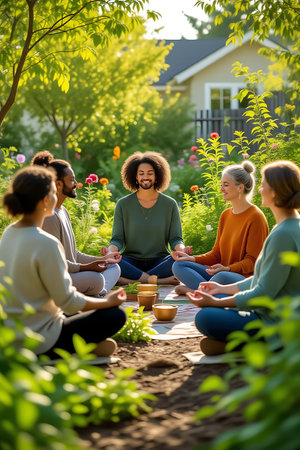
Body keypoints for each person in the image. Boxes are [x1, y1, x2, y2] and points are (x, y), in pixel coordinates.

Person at [0, 166, 126, 358]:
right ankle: (69, 349)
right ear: (44, 200)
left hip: (10, 334)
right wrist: (107, 302)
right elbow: (68, 302)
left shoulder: (8, 234)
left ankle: (86, 346)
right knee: (116, 315)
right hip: (41, 339)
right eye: (52, 192)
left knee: (78, 313)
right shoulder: (46, 243)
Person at [187, 160, 300, 355]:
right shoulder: (288, 226)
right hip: (270, 313)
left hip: (276, 323)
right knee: (219, 295)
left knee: (205, 317)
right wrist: (221, 289)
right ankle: (235, 343)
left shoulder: (283, 234)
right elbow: (261, 280)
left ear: (274, 192)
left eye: (263, 184)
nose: (259, 189)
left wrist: (216, 302)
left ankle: (262, 345)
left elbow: (262, 292)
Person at [31, 151, 121, 297]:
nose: (76, 184)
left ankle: (94, 295)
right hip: (55, 279)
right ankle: (95, 295)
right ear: (58, 185)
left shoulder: (63, 211)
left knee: (113, 267)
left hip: (70, 274)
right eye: (71, 180)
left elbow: (74, 255)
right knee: (96, 279)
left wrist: (103, 259)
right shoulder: (48, 216)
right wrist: (86, 268)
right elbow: (55, 263)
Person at [172, 161, 269, 295]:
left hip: (243, 278)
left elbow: (253, 262)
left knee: (220, 277)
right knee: (179, 265)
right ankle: (208, 292)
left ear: (240, 187)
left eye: (226, 185)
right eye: (221, 184)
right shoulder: (226, 215)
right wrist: (191, 258)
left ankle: (200, 291)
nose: (221, 188)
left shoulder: (256, 217)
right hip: (222, 273)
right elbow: (216, 254)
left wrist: (227, 269)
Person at [102, 151, 192, 285]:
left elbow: (175, 239)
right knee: (112, 263)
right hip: (131, 260)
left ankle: (129, 280)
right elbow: (117, 239)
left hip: (160, 261)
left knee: (177, 261)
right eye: (141, 173)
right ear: (135, 177)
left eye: (150, 173)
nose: (145, 177)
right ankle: (157, 280)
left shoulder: (170, 204)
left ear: (157, 176)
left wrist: (182, 251)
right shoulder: (123, 204)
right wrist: (110, 253)